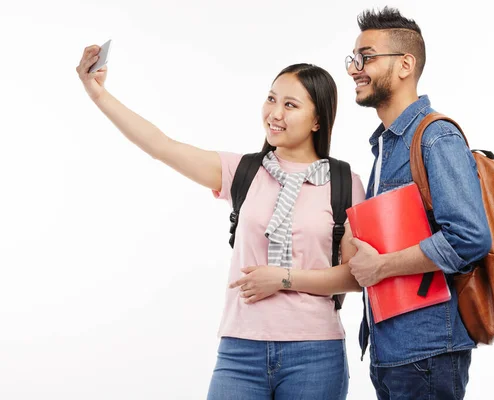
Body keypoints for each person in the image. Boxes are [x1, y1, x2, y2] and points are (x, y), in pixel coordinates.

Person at [76, 46, 365, 400]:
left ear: (317, 119)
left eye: (290, 105)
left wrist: (285, 279)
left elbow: (355, 276)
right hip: (240, 351)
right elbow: (161, 146)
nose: (274, 113)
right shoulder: (242, 170)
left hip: (314, 353)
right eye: (271, 99)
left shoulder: (344, 182)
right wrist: (98, 95)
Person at [344, 7, 492, 400]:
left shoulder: (433, 137)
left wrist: (382, 266)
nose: (354, 68)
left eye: (367, 57)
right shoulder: (386, 145)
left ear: (405, 64)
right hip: (393, 348)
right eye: (354, 59)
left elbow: (470, 238)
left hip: (427, 352)